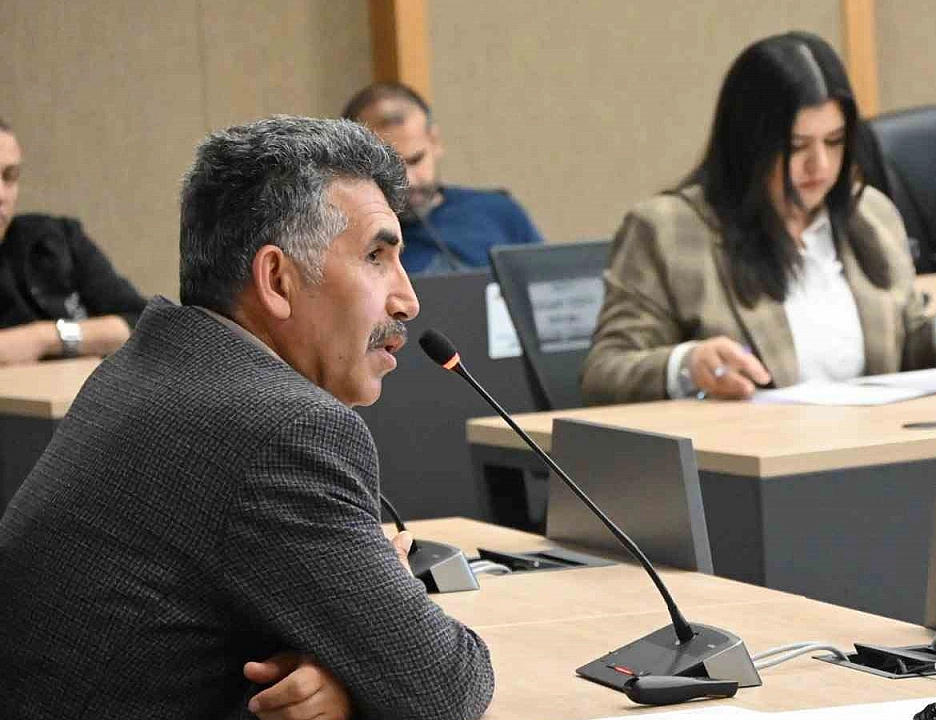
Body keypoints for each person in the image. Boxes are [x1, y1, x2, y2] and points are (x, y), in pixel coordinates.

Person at [0, 117, 494, 719]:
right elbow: (443, 687)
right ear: (277, 280)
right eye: (375, 257)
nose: (408, 300)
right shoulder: (283, 430)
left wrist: (344, 663)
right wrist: (366, 653)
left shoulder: (146, 368)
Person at [581, 32, 936, 406]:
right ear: (748, 145)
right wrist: (686, 365)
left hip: (871, 451)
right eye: (796, 146)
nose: (819, 165)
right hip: (746, 461)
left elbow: (897, 349)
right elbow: (604, 372)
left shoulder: (871, 214)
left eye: (834, 141)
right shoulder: (668, 229)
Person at [342, 82, 543, 274]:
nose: (408, 180)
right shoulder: (347, 238)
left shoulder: (499, 213)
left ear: (434, 141)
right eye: (389, 168)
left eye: (415, 160)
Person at [0, 117, 147, 365]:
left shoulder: (55, 238)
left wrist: (43, 337)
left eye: (10, 176)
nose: (1, 195)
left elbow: (142, 323)